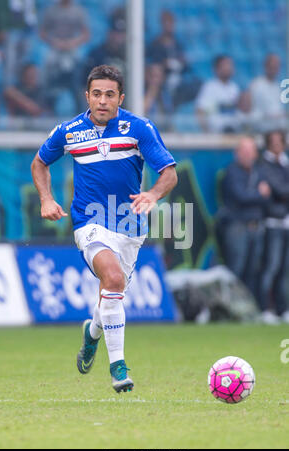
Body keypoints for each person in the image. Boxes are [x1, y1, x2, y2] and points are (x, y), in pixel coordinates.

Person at [30, 65, 177, 393]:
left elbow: (169, 172)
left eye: (110, 94)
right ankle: (118, 367)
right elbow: (39, 163)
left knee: (111, 296)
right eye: (96, 93)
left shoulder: (138, 128)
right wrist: (46, 200)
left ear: (120, 98)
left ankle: (92, 332)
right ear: (87, 96)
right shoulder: (69, 131)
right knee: (112, 279)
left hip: (130, 227)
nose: (102, 100)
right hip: (88, 222)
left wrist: (152, 194)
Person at [217, 136, 271, 298]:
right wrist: (259, 195)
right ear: (237, 153)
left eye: (250, 151)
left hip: (256, 227)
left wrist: (258, 196)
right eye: (244, 151)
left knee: (253, 270)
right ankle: (231, 305)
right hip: (237, 227)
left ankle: (249, 307)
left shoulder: (258, 172)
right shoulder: (232, 172)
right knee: (236, 268)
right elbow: (241, 196)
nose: (248, 155)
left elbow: (269, 195)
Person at [258, 131, 289, 324]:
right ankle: (265, 308)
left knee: (285, 270)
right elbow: (278, 190)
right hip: (273, 222)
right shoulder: (264, 165)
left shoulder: (284, 163)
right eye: (274, 142)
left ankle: (282, 308)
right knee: (271, 267)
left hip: (286, 222)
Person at [40, 0, 90, 112]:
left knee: (78, 78)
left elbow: (86, 34)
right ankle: (47, 109)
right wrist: (55, 42)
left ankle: (82, 111)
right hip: (54, 48)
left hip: (72, 49)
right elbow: (42, 33)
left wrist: (72, 43)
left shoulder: (78, 11)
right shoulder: (51, 10)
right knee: (47, 74)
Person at [195, 55, 240, 133]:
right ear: (217, 69)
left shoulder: (235, 88)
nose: (229, 68)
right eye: (226, 65)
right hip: (215, 134)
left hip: (233, 132)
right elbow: (200, 111)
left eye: (230, 65)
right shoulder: (210, 87)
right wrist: (206, 132)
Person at [249, 54, 286, 133]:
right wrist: (271, 116)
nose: (274, 69)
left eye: (277, 67)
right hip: (261, 129)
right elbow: (253, 111)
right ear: (266, 66)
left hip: (278, 130)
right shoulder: (256, 85)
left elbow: (278, 110)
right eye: (272, 66)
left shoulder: (277, 86)